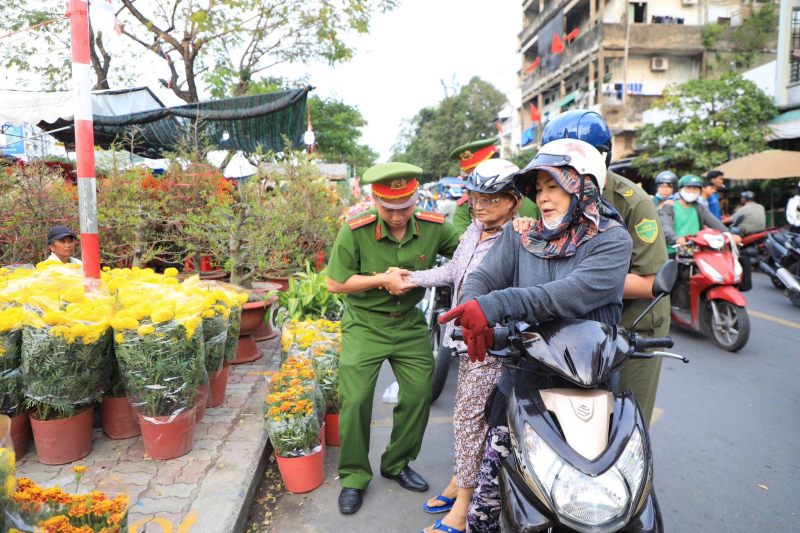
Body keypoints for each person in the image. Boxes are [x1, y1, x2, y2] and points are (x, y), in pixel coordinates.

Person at [440, 138, 632, 533]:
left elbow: (566, 295)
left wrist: (495, 306)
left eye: (554, 187)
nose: (543, 199)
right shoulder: (521, 235)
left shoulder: (612, 240)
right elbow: (482, 277)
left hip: (587, 384)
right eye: (538, 189)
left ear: (583, 186)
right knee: (491, 498)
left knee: (609, 491)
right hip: (523, 376)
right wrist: (474, 309)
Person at [387, 159, 522, 533]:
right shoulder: (475, 231)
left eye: (492, 199)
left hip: (490, 344)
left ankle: (463, 510)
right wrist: (410, 277)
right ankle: (458, 483)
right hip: (464, 340)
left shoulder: (518, 238)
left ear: (514, 201)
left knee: (469, 420)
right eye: (476, 198)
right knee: (470, 421)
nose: (480, 206)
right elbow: (452, 273)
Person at [326, 162, 461, 515]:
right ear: (374, 200)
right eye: (389, 208)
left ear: (416, 199)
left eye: (406, 206)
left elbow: (466, 249)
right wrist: (381, 280)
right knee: (354, 400)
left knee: (419, 393)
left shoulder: (433, 227)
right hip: (364, 324)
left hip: (409, 324)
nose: (398, 216)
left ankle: (397, 462)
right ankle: (354, 476)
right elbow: (336, 283)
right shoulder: (355, 231)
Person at [528, 109, 670, 427]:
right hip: (574, 321)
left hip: (634, 323)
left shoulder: (632, 202)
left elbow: (650, 282)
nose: (548, 190)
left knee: (627, 423)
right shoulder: (544, 195)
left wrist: (585, 283)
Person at [450, 138, 540, 235]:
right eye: (473, 176)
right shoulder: (466, 205)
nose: (478, 183)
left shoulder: (533, 194)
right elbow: (463, 240)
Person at [659, 174, 738, 249]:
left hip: (696, 249)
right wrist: (676, 238)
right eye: (688, 188)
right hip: (674, 250)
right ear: (680, 190)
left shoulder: (699, 207)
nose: (692, 192)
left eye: (695, 189)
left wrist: (730, 235)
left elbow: (714, 222)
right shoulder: (669, 207)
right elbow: (665, 226)